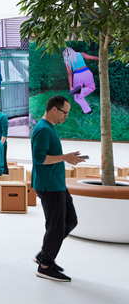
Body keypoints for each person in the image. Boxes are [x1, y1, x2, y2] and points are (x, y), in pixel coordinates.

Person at [32, 95, 85, 282]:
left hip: (57, 184)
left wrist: (67, 157)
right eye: (65, 113)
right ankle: (45, 265)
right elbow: (39, 159)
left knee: (70, 221)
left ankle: (44, 255)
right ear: (54, 109)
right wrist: (65, 158)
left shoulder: (49, 128)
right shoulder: (43, 130)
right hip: (49, 185)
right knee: (56, 226)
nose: (66, 117)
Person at [63, 47, 99, 114]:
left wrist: (71, 86)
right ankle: (87, 110)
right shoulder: (80, 54)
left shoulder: (67, 60)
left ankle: (87, 110)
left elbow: (69, 73)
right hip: (86, 72)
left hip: (77, 76)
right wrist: (102, 59)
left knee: (77, 96)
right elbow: (93, 58)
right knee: (91, 88)